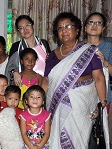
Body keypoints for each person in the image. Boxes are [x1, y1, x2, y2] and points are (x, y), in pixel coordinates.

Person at [43, 12, 109, 148]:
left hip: (81, 106)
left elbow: (99, 79)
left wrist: (101, 104)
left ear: (77, 29)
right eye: (60, 28)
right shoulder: (52, 56)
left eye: (68, 26)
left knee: (78, 142)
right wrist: (40, 103)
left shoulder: (89, 51)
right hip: (56, 104)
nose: (64, 31)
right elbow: (46, 81)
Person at [84, 12, 112, 148]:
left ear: (104, 29)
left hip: (104, 98)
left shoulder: (109, 46)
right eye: (91, 22)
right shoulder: (79, 47)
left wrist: (105, 62)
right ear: (85, 27)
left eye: (98, 23)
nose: (94, 25)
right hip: (84, 98)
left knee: (102, 137)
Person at [5, 15, 50, 86]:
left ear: (33, 26)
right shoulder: (16, 46)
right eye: (21, 28)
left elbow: (51, 65)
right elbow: (10, 66)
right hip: (23, 85)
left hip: (43, 85)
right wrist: (15, 73)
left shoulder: (44, 44)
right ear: (18, 31)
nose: (25, 29)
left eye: (27, 25)